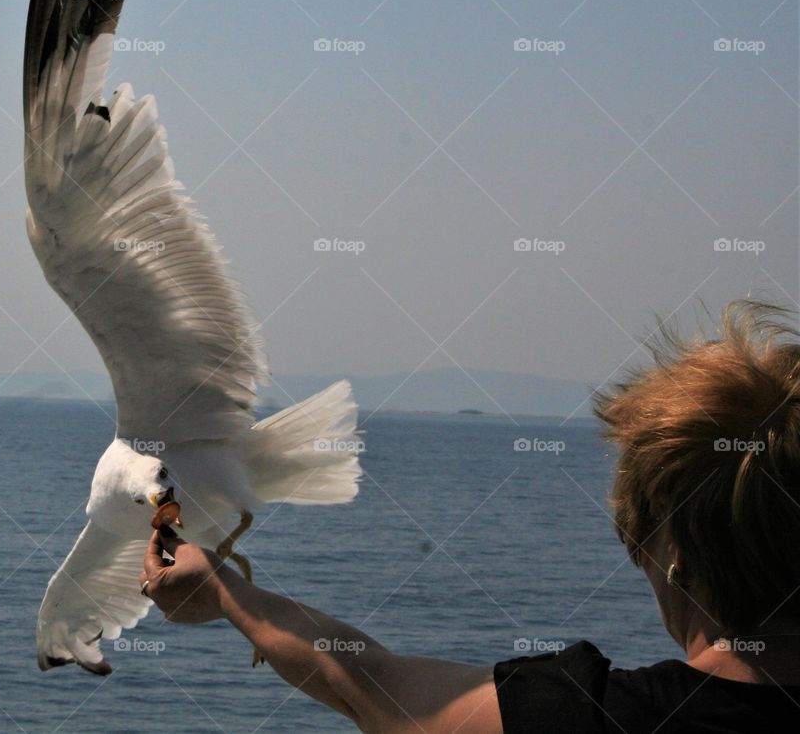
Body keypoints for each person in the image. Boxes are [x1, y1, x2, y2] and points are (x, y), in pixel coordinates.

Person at [139, 301, 800, 732]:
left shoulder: (595, 719)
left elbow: (370, 685)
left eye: (636, 522)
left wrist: (225, 592)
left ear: (674, 551)